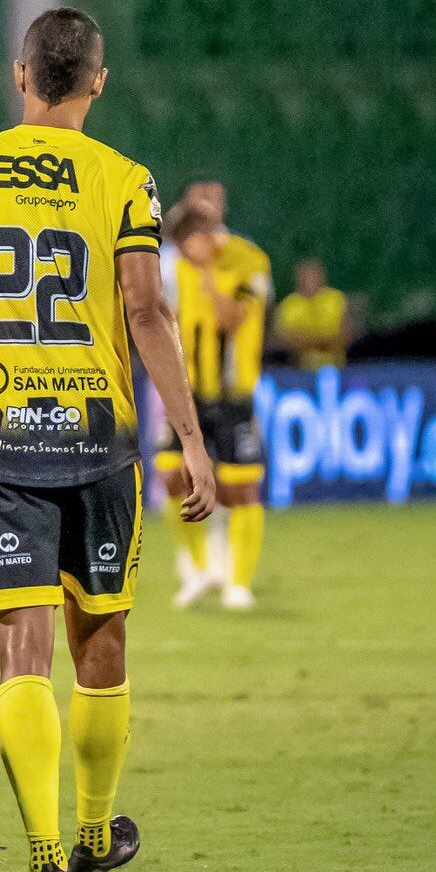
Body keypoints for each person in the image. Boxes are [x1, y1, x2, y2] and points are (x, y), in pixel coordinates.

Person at [0, 7, 214, 872]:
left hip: (3, 433)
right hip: (97, 438)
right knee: (103, 636)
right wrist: (191, 439)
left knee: (21, 648)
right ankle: (94, 831)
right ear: (97, 80)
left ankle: (45, 855)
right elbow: (147, 313)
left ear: (20, 74)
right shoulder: (124, 181)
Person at [158, 180, 272, 609]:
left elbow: (232, 319)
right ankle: (200, 566)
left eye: (188, 240)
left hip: (233, 394)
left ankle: (238, 583)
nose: (184, 250)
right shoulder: (177, 269)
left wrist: (207, 272)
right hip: (188, 393)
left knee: (241, 489)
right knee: (171, 475)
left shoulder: (249, 261)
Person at [275, 257, 350, 370]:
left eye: (313, 276)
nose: (309, 280)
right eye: (305, 276)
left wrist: (307, 339)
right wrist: (322, 339)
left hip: (335, 369)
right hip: (300, 371)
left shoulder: (336, 299)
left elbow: (345, 334)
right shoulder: (289, 304)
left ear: (322, 277)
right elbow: (287, 340)